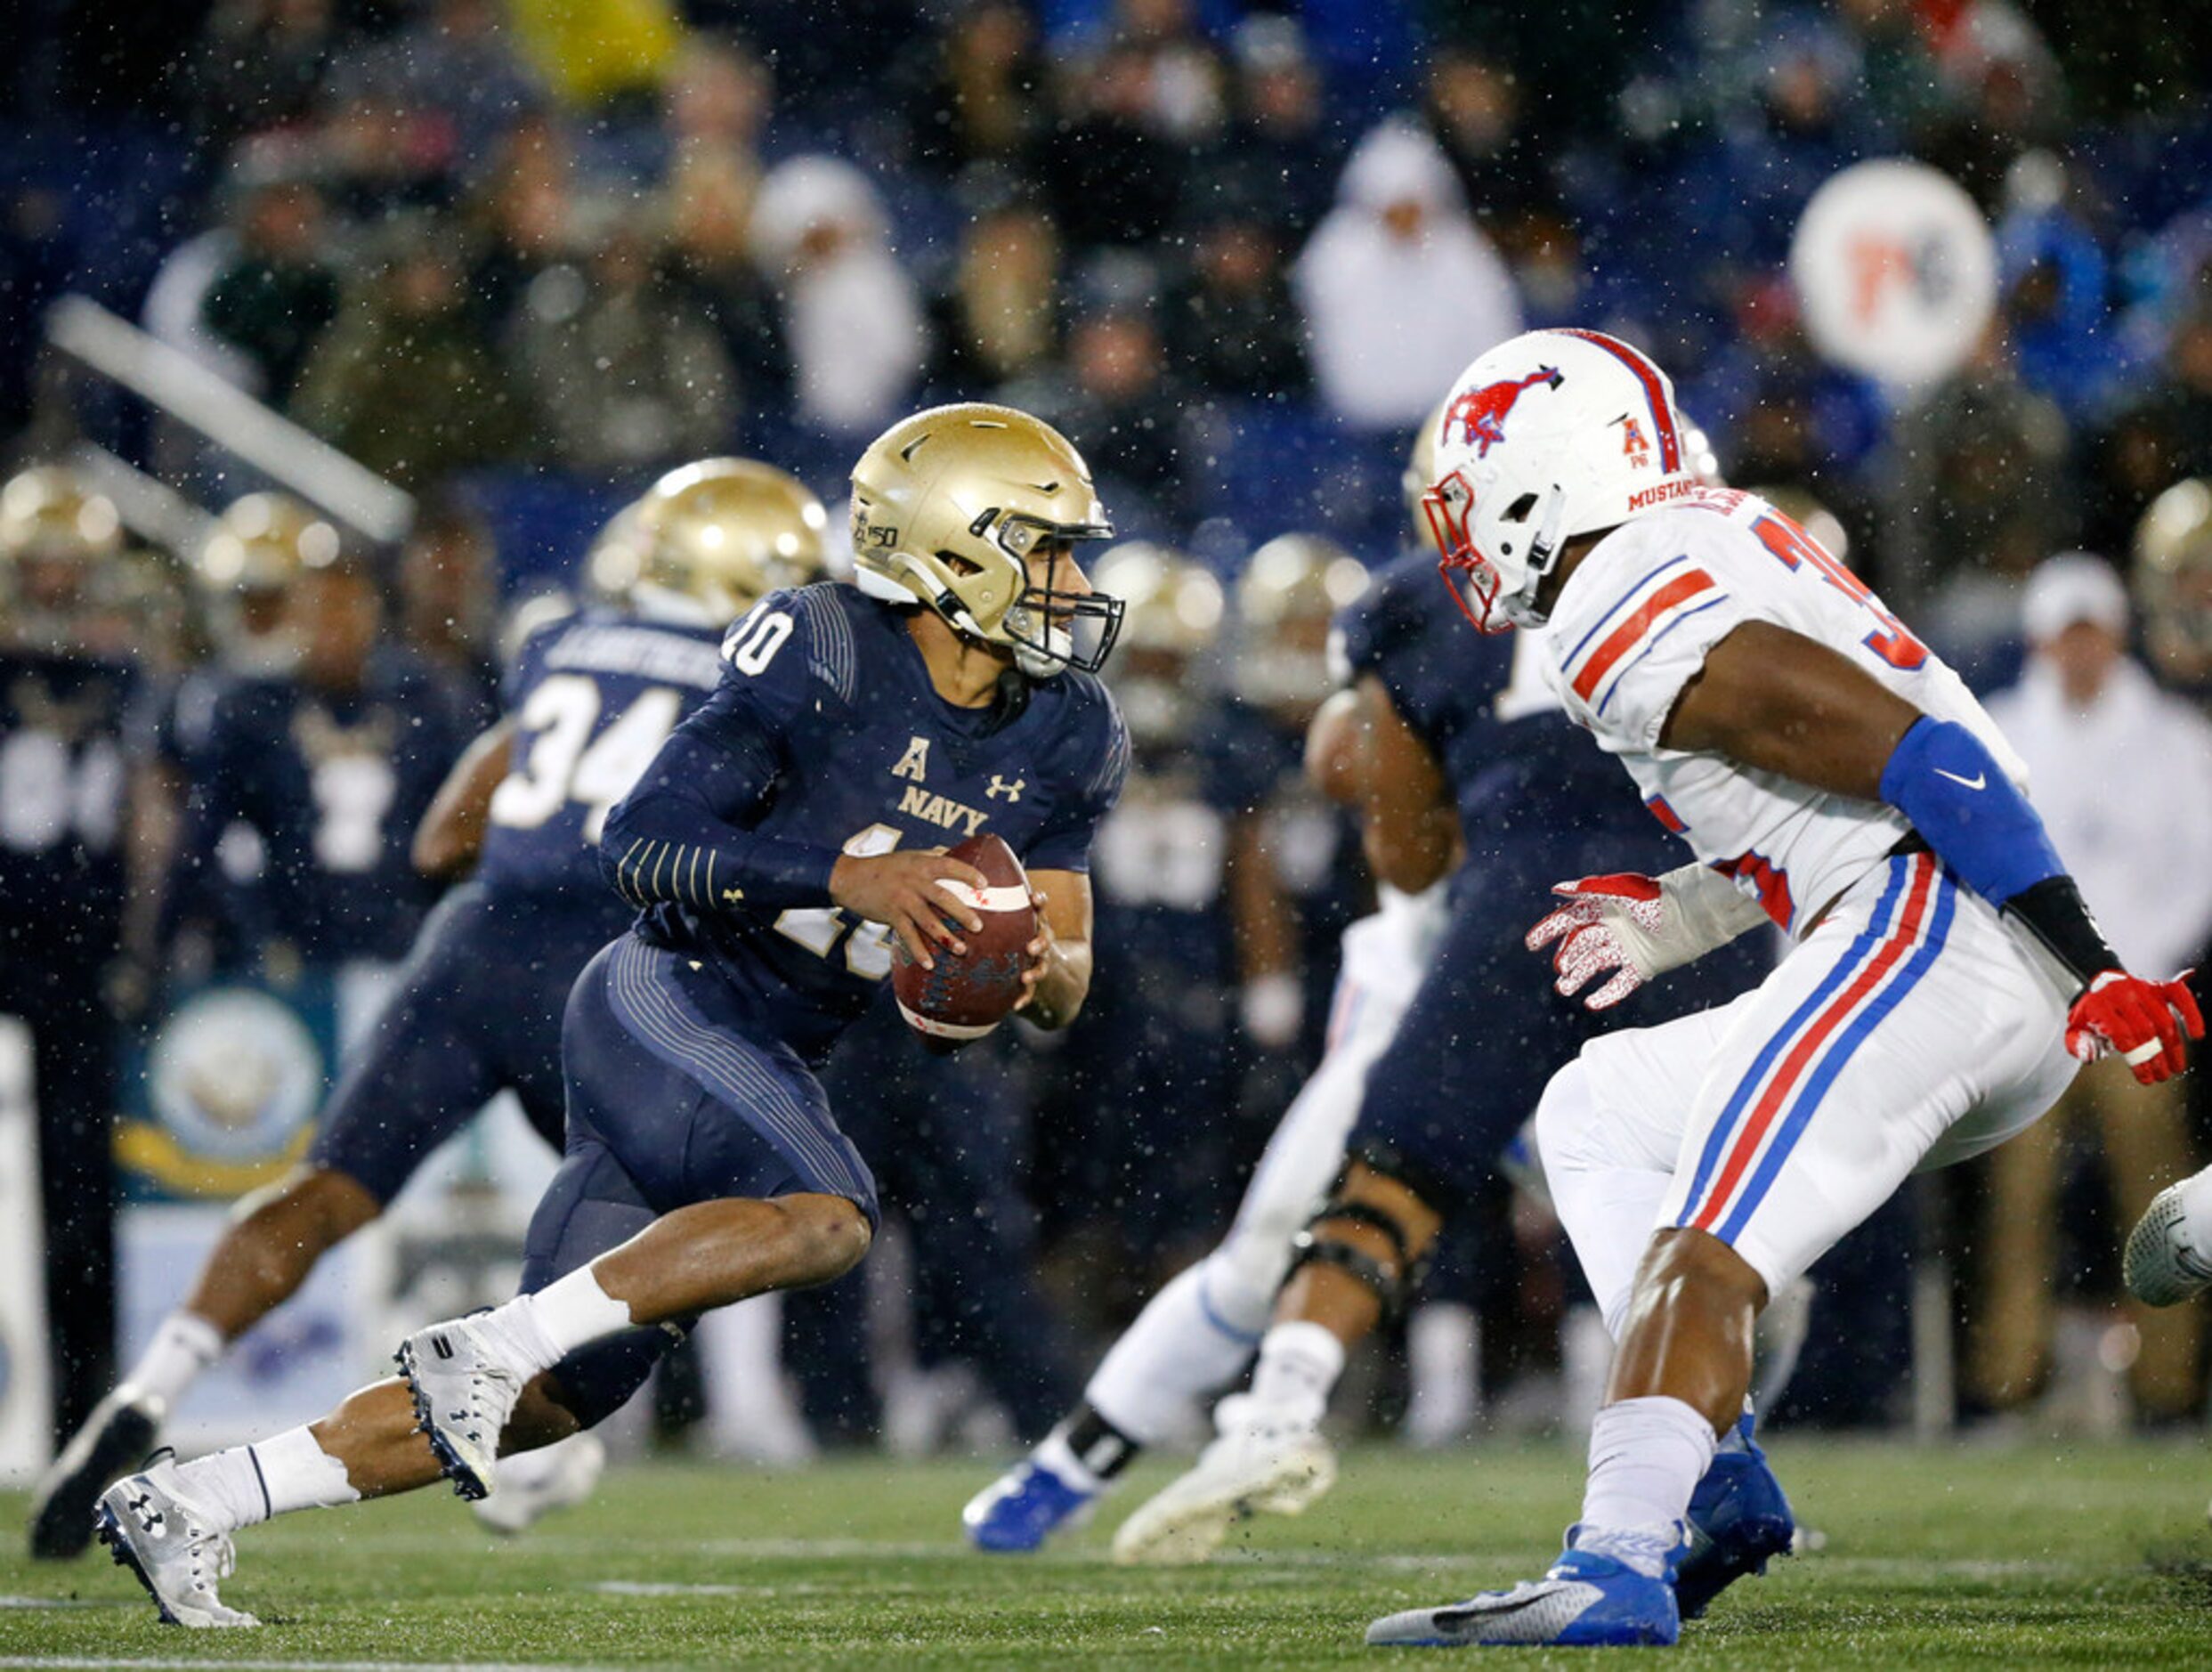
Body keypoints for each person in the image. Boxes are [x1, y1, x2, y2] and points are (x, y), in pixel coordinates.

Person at [90, 403, 1131, 1628]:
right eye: (1049, 547)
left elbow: (1062, 962)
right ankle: (496, 1335)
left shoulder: (1073, 731)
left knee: (544, 1400)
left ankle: (201, 1498)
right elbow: (643, 841)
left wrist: (1020, 971)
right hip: (665, 995)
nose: (1075, 581)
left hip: (775, 1043)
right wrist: (849, 876)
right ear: (956, 545)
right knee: (829, 1217)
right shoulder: (826, 646)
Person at [1363, 328, 2200, 1649]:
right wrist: (1689, 911)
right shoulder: (1688, 540)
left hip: (1936, 925)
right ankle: (1713, 1469)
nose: (1457, 534)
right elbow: (1825, 795)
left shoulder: (1616, 598)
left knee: (1708, 1249)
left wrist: (2093, 961)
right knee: (1599, 1110)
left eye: (1469, 496)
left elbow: (1925, 763)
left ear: (1543, 478)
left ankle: (1617, 1558)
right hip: (1921, 921)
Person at [961, 416, 1757, 1563]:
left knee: (1647, 1224)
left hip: (1501, 958)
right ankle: (1076, 1467)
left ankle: (1283, 1419)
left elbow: (1394, 812)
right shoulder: (1593, 596)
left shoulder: (1481, 607)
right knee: (1294, 1238)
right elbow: (1361, 778)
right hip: (1497, 962)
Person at [29, 459, 830, 1559]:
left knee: (325, 1191)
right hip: (618, 970)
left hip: (473, 945)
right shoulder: (761, 689)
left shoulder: (561, 641)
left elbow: (443, 836)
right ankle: (675, 1426)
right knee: (729, 1204)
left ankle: (153, 1387)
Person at [1967, 555, 2212, 1425]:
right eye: (2064, 635)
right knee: (2015, 1199)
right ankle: (2008, 1381)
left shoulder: (2177, 742)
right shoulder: (1995, 734)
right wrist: (2062, 975)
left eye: (2091, 634)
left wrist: (2126, 974)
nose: (2078, 653)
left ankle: (2168, 1386)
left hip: (2137, 1003)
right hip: (2033, 1010)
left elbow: (2199, 877)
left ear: (2114, 636)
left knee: (2162, 1195)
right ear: (2041, 639)